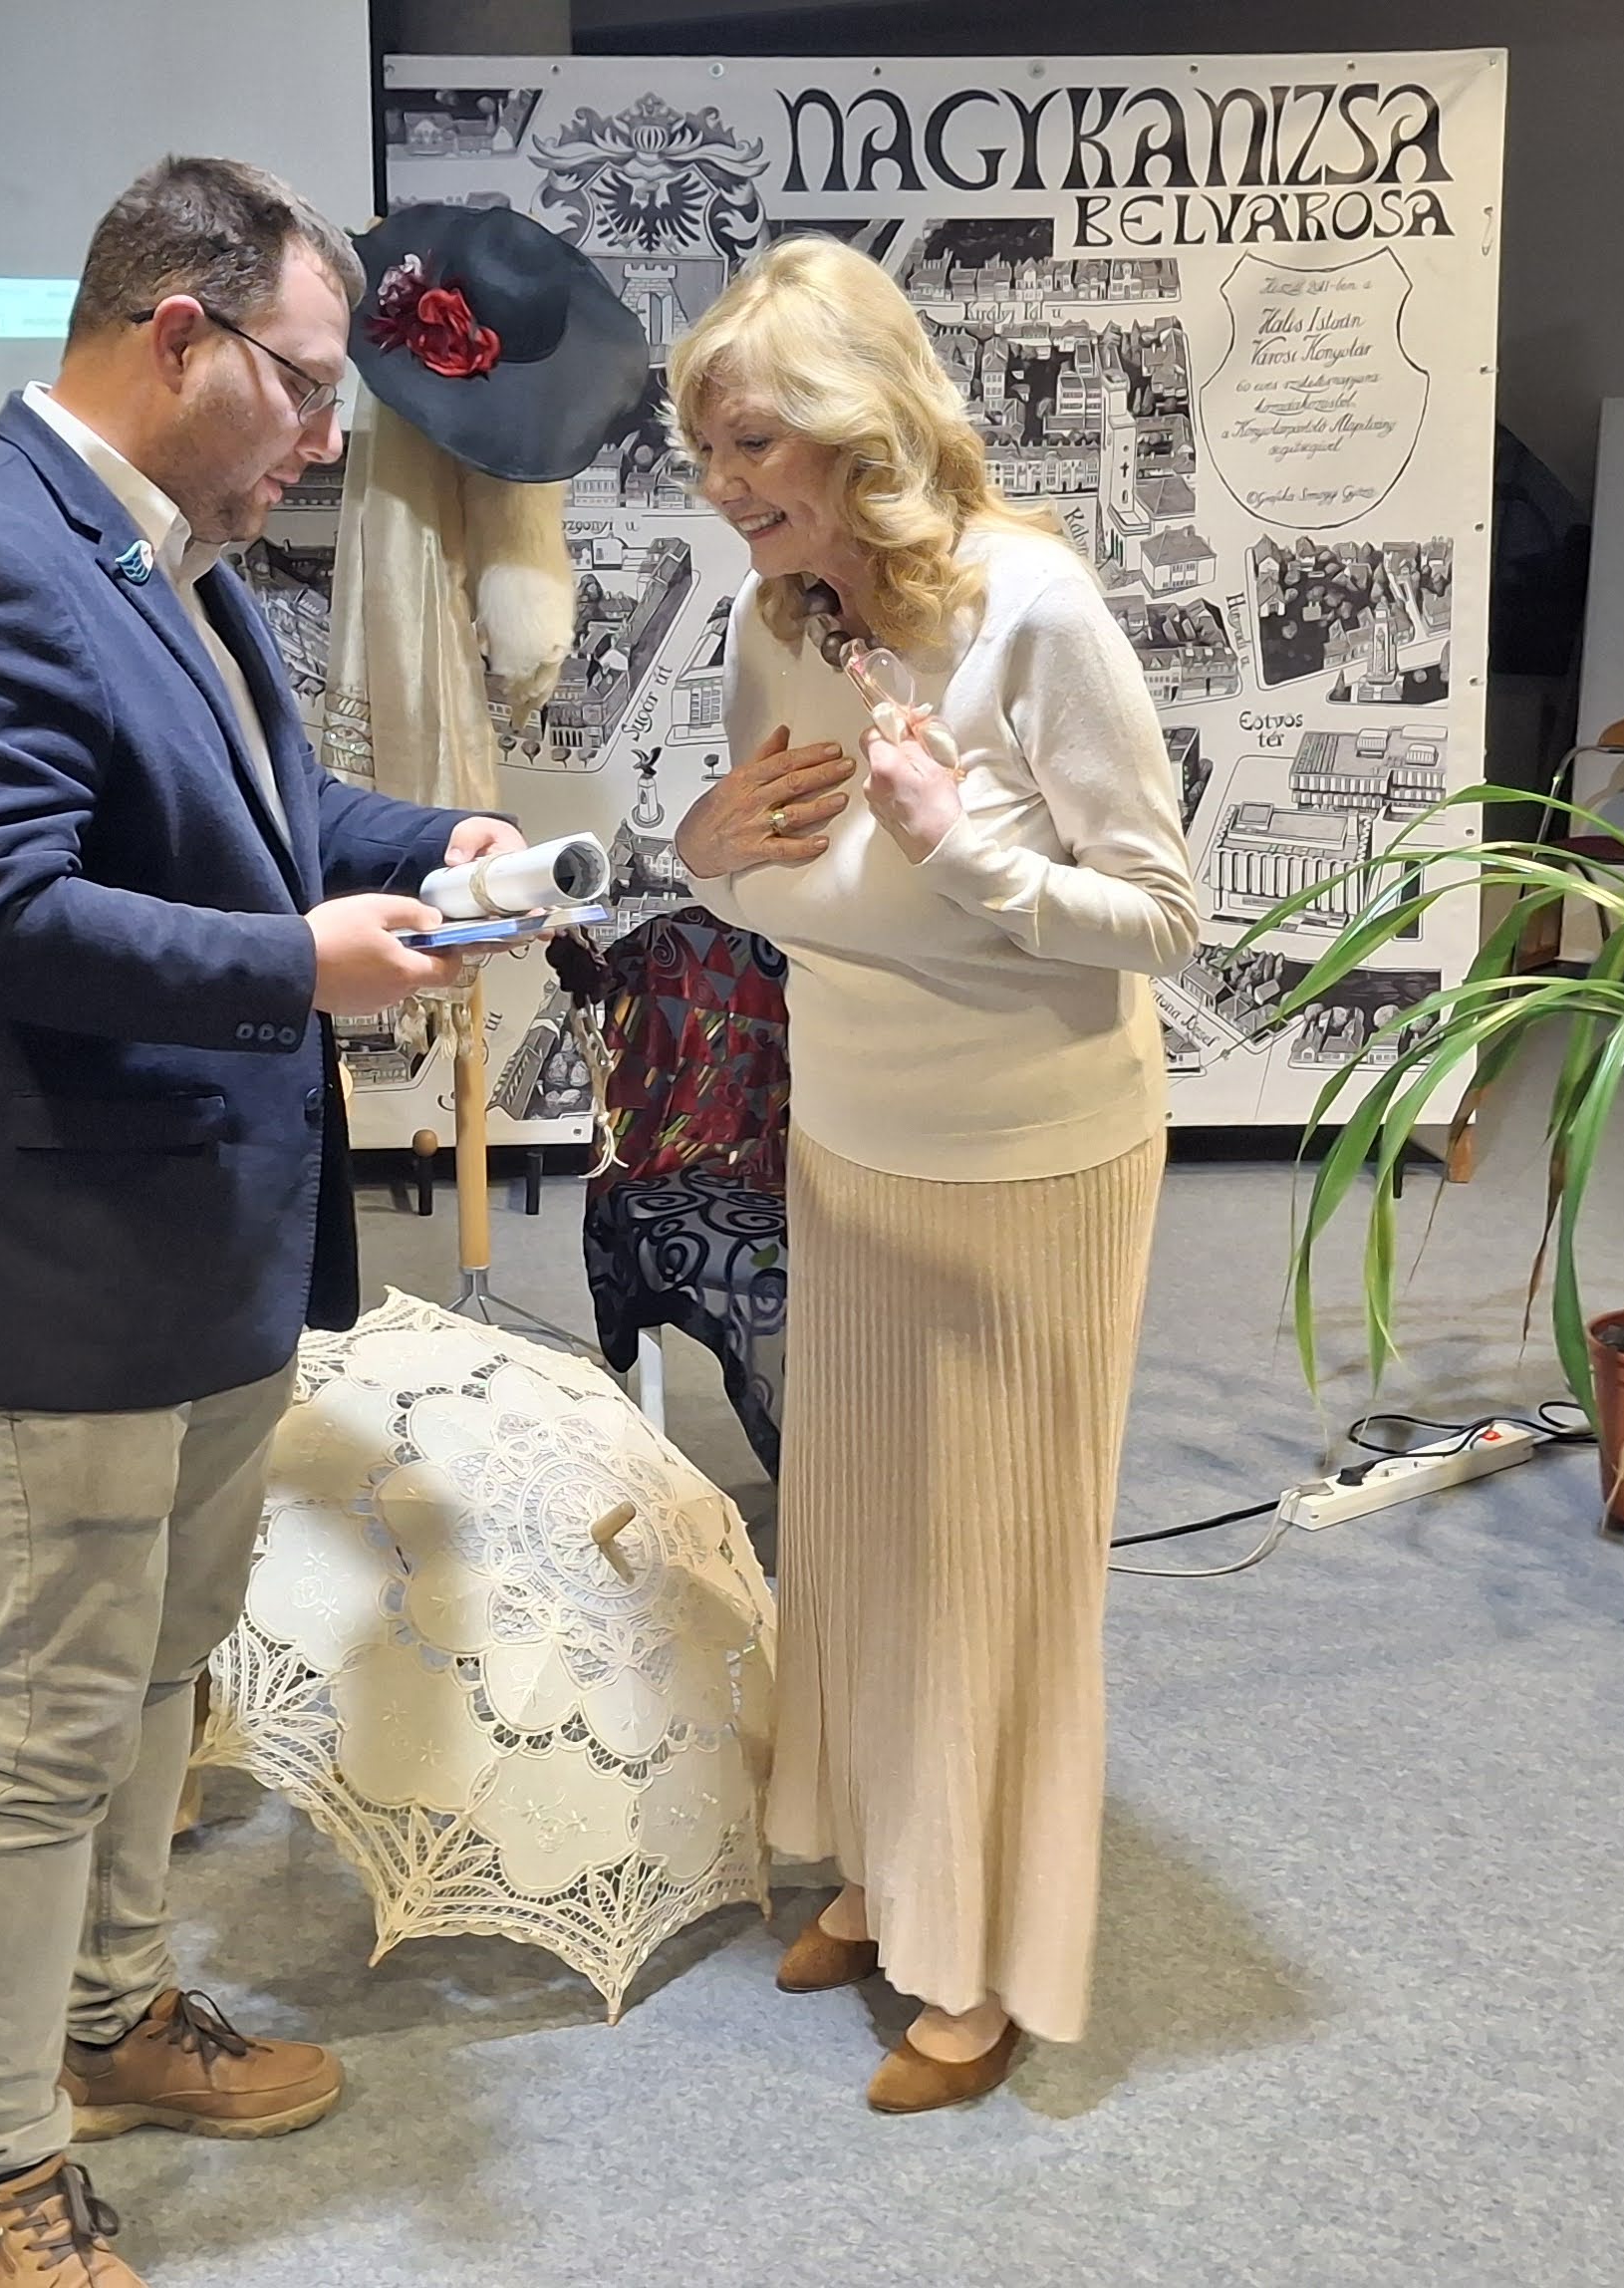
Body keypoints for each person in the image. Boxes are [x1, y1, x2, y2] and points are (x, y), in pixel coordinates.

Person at [0, 154, 522, 2288]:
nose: (323, 438)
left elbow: (266, 820)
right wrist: (296, 966)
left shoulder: (171, 553)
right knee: (51, 1718)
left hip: (199, 1237)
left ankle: (111, 2015)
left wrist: (439, 840)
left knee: (152, 1674)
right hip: (51, 1265)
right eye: (303, 387)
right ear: (177, 334)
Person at [665, 235, 1199, 2114]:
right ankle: (891, 1873)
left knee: (995, 1570)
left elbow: (1161, 918)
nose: (722, 485)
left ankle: (986, 1953)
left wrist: (963, 851)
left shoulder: (1031, 608)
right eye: (704, 450)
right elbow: (765, 883)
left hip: (1028, 1171)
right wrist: (699, 841)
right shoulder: (780, 618)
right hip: (852, 1146)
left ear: (855, 429)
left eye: (751, 443)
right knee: (868, 1537)